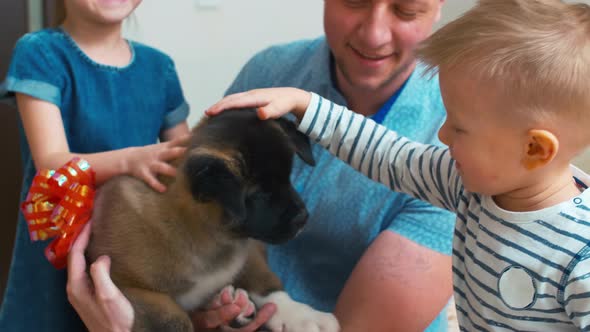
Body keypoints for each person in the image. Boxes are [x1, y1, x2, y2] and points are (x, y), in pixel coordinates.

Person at [68, 0, 456, 331]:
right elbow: (205, 218)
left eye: (406, 10)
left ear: (439, 5)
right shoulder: (270, 72)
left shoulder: (456, 140)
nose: (374, 35)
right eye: (353, 0)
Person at [206, 0, 590, 329]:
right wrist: (306, 105)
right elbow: (388, 155)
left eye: (458, 126)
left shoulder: (579, 258)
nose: (441, 135)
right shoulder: (464, 181)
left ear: (535, 149)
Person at [0, 0, 191, 330]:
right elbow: (52, 164)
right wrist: (132, 160)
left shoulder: (160, 67)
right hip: (58, 244)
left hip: (131, 247)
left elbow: (184, 159)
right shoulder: (40, 52)